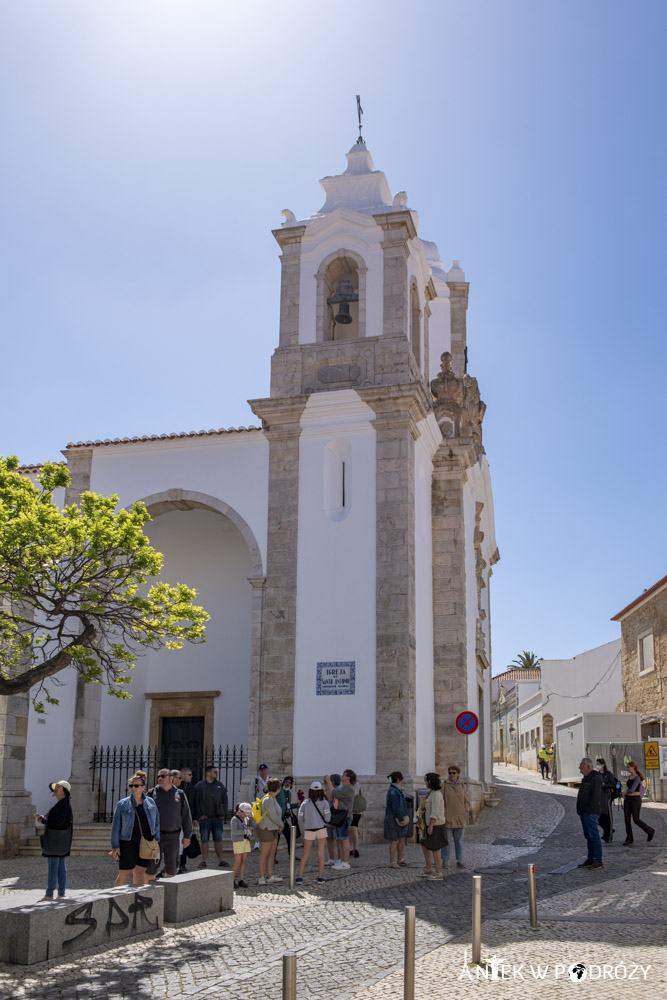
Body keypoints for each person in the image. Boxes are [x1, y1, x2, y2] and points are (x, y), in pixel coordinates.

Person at [110, 770, 160, 886]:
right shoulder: (122, 804)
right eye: (131, 785)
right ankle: (116, 899)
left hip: (145, 842)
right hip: (128, 842)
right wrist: (115, 846)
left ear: (143, 787)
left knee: (140, 872)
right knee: (125, 873)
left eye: (136, 786)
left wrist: (156, 840)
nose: (133, 788)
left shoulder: (150, 802)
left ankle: (137, 898)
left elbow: (157, 822)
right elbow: (116, 827)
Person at [147, 767, 192, 879]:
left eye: (163, 776)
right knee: (151, 867)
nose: (160, 778)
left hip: (173, 835)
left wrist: (187, 835)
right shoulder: (151, 793)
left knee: (171, 867)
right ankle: (148, 891)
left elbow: (186, 815)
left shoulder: (180, 794)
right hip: (155, 837)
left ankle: (169, 893)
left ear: (171, 778)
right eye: (158, 776)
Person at [38, 779, 73, 901]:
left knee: (54, 867)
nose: (55, 789)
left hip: (55, 840)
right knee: (60, 866)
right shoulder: (63, 804)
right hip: (60, 841)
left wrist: (44, 821)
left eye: (58, 787)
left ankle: (49, 894)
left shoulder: (63, 805)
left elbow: (57, 823)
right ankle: (61, 892)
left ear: (64, 791)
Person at [194, 765, 229, 869]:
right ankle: (203, 860)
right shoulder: (200, 786)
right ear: (208, 773)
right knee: (204, 839)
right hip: (205, 818)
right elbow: (196, 801)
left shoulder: (220, 785)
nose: (216, 774)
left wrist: (224, 813)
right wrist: (199, 815)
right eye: (214, 772)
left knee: (218, 839)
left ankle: (221, 860)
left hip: (217, 818)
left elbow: (225, 799)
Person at [296, 781, 331, 884]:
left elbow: (300, 817)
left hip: (309, 830)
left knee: (305, 854)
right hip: (321, 829)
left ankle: (300, 877)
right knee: (321, 853)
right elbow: (328, 819)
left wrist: (308, 820)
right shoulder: (325, 803)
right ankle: (320, 877)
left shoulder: (305, 803)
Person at [576, 757, 604, 869]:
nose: (579, 768)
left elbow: (596, 796)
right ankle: (591, 858)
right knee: (588, 836)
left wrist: (588, 811)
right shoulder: (586, 778)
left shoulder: (595, 778)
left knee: (594, 836)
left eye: (581, 766)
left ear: (588, 767)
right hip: (584, 812)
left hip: (590, 812)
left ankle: (598, 860)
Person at [442, 765, 471, 869]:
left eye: (454, 773)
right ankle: (445, 861)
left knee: (459, 841)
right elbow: (441, 800)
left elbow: (467, 799)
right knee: (446, 841)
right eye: (450, 773)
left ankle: (460, 860)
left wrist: (465, 810)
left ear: (458, 774)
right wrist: (444, 812)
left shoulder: (461, 785)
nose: (452, 775)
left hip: (460, 817)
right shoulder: (444, 785)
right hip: (448, 817)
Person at [419, 772, 447, 879]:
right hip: (428, 824)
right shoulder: (431, 793)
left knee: (436, 848)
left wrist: (430, 825)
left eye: (426, 780)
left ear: (430, 782)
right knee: (425, 845)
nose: (425, 782)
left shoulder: (436, 795)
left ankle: (439, 872)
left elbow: (434, 812)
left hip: (435, 825)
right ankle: (429, 868)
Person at [257, 777, 284, 885]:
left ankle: (269, 875)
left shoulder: (273, 799)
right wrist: (281, 824)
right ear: (277, 788)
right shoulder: (267, 799)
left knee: (272, 853)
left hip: (273, 829)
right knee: (264, 853)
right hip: (267, 829)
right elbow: (273, 815)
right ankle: (261, 876)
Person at [328, 769, 356, 870]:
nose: (342, 777)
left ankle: (345, 862)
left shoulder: (349, 788)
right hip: (340, 815)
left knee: (344, 839)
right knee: (340, 840)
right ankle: (341, 860)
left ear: (348, 778)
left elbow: (335, 793)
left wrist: (328, 782)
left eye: (344, 775)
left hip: (345, 816)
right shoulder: (345, 787)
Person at [622, 761, 655, 846]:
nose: (627, 768)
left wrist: (625, 792)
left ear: (633, 767)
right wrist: (625, 793)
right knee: (627, 819)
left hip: (635, 800)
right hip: (628, 799)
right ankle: (629, 837)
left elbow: (632, 789)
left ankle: (650, 831)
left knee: (636, 819)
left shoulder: (637, 778)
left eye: (628, 767)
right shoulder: (630, 777)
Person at [384, 771, 410, 868]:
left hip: (399, 817)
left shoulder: (397, 790)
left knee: (401, 839)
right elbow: (396, 807)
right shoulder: (393, 791)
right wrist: (401, 818)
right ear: (399, 780)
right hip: (394, 818)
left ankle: (400, 859)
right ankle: (392, 861)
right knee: (395, 840)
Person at [230, 802, 255, 888]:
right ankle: (231, 880)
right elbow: (234, 831)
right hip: (238, 842)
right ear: (239, 811)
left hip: (245, 841)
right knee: (238, 862)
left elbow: (252, 825)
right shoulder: (234, 819)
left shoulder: (246, 819)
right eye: (245, 813)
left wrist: (251, 819)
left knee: (243, 862)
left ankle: (241, 879)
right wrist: (245, 831)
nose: (246, 815)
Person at [178, 766, 197, 873]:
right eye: (189, 775)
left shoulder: (192, 789)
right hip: (176, 818)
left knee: (185, 842)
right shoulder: (176, 788)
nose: (191, 777)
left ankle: (182, 864)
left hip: (187, 819)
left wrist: (194, 818)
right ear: (183, 775)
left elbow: (195, 804)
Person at [274, 775, 296, 863]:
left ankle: (292, 855)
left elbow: (288, 805)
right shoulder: (279, 790)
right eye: (286, 782)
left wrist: (297, 805)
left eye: (290, 783)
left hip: (283, 818)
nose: (287, 784)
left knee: (290, 836)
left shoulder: (289, 793)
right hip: (277, 818)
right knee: (276, 838)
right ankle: (273, 857)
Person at [596, 758, 616, 844]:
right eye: (596, 764)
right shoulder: (596, 774)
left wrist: (605, 785)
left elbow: (613, 784)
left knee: (607, 815)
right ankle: (608, 829)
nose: (597, 766)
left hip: (607, 796)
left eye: (598, 764)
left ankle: (608, 834)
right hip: (599, 797)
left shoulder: (608, 774)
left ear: (603, 765)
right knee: (598, 815)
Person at [349, 778, 366, 858]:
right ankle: (351, 848)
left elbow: (354, 794)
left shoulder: (356, 784)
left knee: (353, 828)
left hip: (356, 810)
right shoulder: (346, 785)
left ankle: (356, 849)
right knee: (350, 829)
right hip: (349, 810)